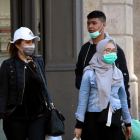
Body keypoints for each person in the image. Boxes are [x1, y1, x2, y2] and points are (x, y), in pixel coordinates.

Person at [75, 10, 132, 117]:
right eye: (88, 23)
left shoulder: (114, 49)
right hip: (90, 107)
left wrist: (127, 108)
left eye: (94, 23)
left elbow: (124, 78)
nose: (90, 26)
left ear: (103, 25)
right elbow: (79, 71)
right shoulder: (85, 49)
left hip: (112, 108)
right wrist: (81, 85)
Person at [74, 39, 132, 140]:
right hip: (93, 119)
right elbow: (83, 100)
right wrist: (79, 125)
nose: (111, 53)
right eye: (107, 50)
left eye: (113, 51)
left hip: (113, 119)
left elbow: (123, 99)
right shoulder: (89, 73)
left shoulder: (118, 73)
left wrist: (128, 123)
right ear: (100, 51)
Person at [0, 27, 52, 140]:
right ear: (18, 45)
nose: (31, 45)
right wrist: (1, 112)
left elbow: (44, 86)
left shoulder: (38, 62)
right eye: (28, 42)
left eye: (32, 42)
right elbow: (3, 91)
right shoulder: (8, 65)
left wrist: (50, 104)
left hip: (38, 116)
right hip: (15, 118)